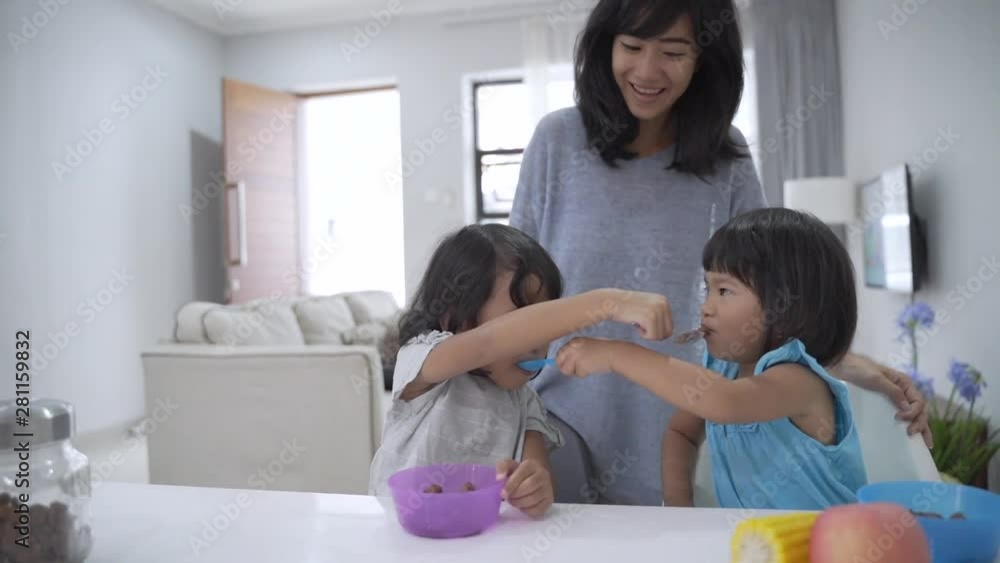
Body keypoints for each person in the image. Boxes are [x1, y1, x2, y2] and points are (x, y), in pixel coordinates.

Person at [509, 0, 930, 506]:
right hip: (559, 422)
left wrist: (854, 366)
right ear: (606, 48)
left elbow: (774, 298)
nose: (647, 71)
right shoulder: (557, 140)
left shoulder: (726, 159)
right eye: (632, 46)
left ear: (704, 59)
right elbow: (515, 300)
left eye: (673, 52)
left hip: (676, 418)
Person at [558, 208, 869, 509]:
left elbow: (726, 402)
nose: (706, 307)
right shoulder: (724, 369)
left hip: (824, 540)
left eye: (724, 291)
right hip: (750, 539)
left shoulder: (800, 381)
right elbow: (681, 432)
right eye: (707, 288)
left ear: (787, 306)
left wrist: (617, 354)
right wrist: (678, 503)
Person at [367, 223, 672, 517]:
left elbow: (539, 481)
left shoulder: (525, 402)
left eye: (544, 325)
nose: (537, 340)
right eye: (524, 322)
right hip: (403, 536)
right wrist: (607, 303)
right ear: (455, 319)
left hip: (484, 540)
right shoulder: (423, 361)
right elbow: (486, 343)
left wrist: (533, 490)